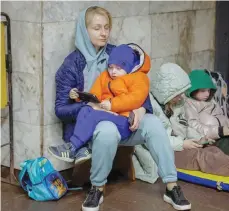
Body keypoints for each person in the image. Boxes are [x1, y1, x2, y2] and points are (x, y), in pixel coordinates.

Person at [54, 6, 191, 211]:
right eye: (97, 28)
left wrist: (142, 109)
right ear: (84, 30)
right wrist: (90, 106)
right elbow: (60, 110)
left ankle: (172, 187)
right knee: (106, 130)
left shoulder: (117, 54)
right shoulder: (71, 65)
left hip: (126, 120)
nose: (104, 33)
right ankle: (97, 189)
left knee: (153, 124)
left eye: (106, 27)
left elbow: (138, 88)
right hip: (89, 127)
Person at [133, 63, 229, 186]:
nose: (181, 97)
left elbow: (186, 127)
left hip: (182, 143)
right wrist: (183, 144)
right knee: (201, 158)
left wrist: (199, 139)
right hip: (165, 151)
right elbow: (157, 139)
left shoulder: (176, 105)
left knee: (212, 151)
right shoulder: (152, 110)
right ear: (167, 93)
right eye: (177, 94)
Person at [49, 44, 150, 164]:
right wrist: (79, 96)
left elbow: (134, 99)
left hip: (124, 120)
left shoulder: (139, 78)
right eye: (111, 67)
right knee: (85, 110)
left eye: (118, 68)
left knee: (94, 115)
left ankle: (72, 148)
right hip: (106, 112)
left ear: (128, 67)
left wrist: (112, 105)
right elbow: (94, 95)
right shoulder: (105, 76)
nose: (113, 72)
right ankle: (83, 148)